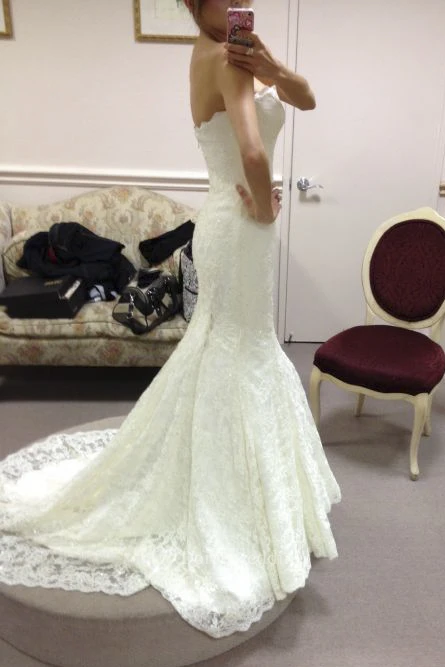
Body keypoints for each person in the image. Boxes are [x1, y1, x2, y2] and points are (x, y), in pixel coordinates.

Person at [0, 0, 340, 639]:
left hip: (230, 224)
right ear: (194, 3)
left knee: (230, 346)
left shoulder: (222, 52)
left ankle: (232, 479)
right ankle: (227, 496)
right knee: (237, 349)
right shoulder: (224, 60)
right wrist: (265, 210)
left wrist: (273, 66)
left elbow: (308, 98)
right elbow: (250, 150)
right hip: (240, 225)